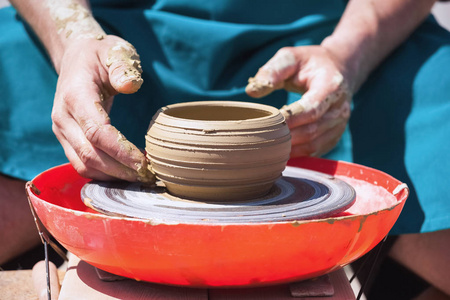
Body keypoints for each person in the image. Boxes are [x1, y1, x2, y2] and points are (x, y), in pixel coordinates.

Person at [1, 0, 449, 298]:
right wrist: (73, 38)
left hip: (331, 39)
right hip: (111, 38)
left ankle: (392, 255)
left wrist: (349, 57)